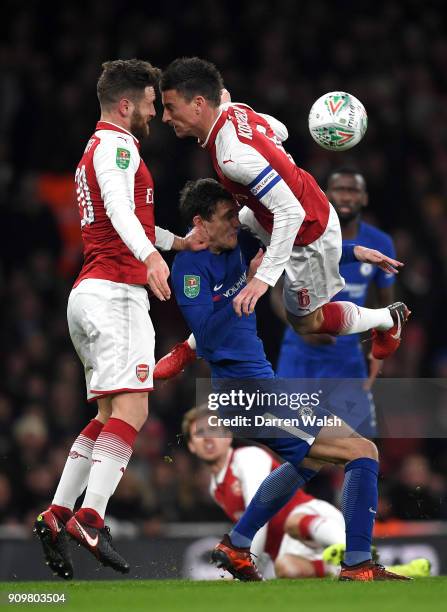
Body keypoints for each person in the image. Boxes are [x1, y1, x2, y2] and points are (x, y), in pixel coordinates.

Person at [159, 177, 409, 581]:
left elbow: (296, 252)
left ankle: (237, 545)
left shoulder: (238, 245)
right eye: (225, 218)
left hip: (262, 386)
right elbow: (205, 335)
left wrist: (353, 252)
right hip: (248, 396)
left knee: (307, 462)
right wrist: (251, 282)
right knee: (363, 451)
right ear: (199, 222)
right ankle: (358, 565)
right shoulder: (189, 267)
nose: (234, 224)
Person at [34, 59, 206, 580]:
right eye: (152, 102)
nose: (156, 110)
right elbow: (119, 208)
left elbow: (122, 218)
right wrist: (153, 259)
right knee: (132, 413)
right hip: (116, 294)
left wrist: (174, 243)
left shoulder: (94, 148)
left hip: (89, 293)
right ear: (127, 104)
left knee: (109, 417)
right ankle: (91, 517)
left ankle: (56, 513)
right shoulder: (117, 144)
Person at [160, 57, 410, 363]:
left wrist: (262, 279)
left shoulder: (232, 157)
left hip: (305, 230)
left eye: (170, 107)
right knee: (211, 234)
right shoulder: (235, 110)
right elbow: (280, 131)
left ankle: (387, 319)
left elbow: (291, 213)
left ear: (198, 104)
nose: (164, 117)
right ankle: (191, 344)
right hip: (271, 210)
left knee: (306, 322)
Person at [183, 406, 430, 580]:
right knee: (287, 569)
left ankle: (347, 550)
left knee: (292, 521)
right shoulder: (215, 486)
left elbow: (259, 519)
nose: (208, 439)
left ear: (228, 435)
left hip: (310, 519)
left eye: (213, 429)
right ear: (191, 446)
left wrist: (243, 563)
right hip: (289, 548)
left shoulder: (247, 458)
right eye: (200, 433)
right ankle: (395, 568)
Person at [271, 168, 397, 437]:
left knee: (361, 442)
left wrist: (378, 350)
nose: (346, 196)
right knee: (292, 439)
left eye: (353, 190)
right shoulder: (303, 232)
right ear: (327, 195)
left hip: (347, 359)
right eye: (340, 189)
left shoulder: (380, 242)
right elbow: (276, 291)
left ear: (364, 198)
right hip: (300, 354)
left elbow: (386, 302)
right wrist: (301, 327)